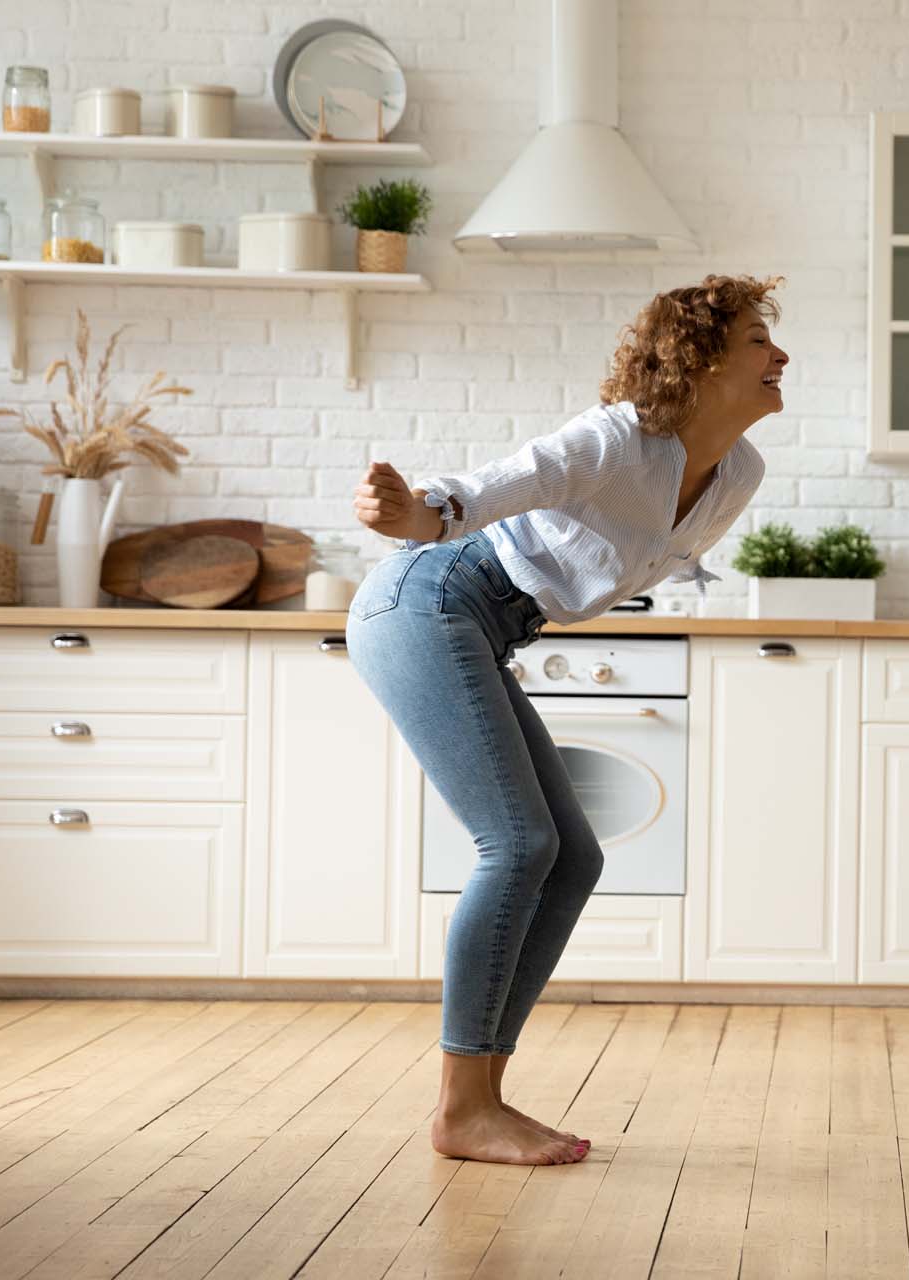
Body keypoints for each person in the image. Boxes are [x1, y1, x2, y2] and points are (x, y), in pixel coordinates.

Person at [346, 274, 788, 1166]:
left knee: (571, 856)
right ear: (697, 361)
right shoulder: (618, 438)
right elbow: (509, 482)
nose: (780, 357)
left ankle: (482, 1099)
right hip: (430, 594)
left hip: (491, 621)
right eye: (755, 341)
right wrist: (416, 512)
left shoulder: (737, 472)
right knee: (517, 846)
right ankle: (462, 1108)